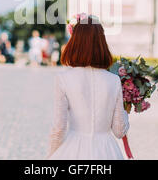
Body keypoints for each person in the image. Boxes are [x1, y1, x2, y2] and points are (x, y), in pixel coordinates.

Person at [47, 15, 129, 160]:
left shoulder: (63, 79)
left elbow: (59, 128)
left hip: (74, 149)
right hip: (107, 151)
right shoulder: (114, 80)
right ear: (102, 43)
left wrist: (50, 155)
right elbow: (119, 131)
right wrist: (126, 111)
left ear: (75, 43)